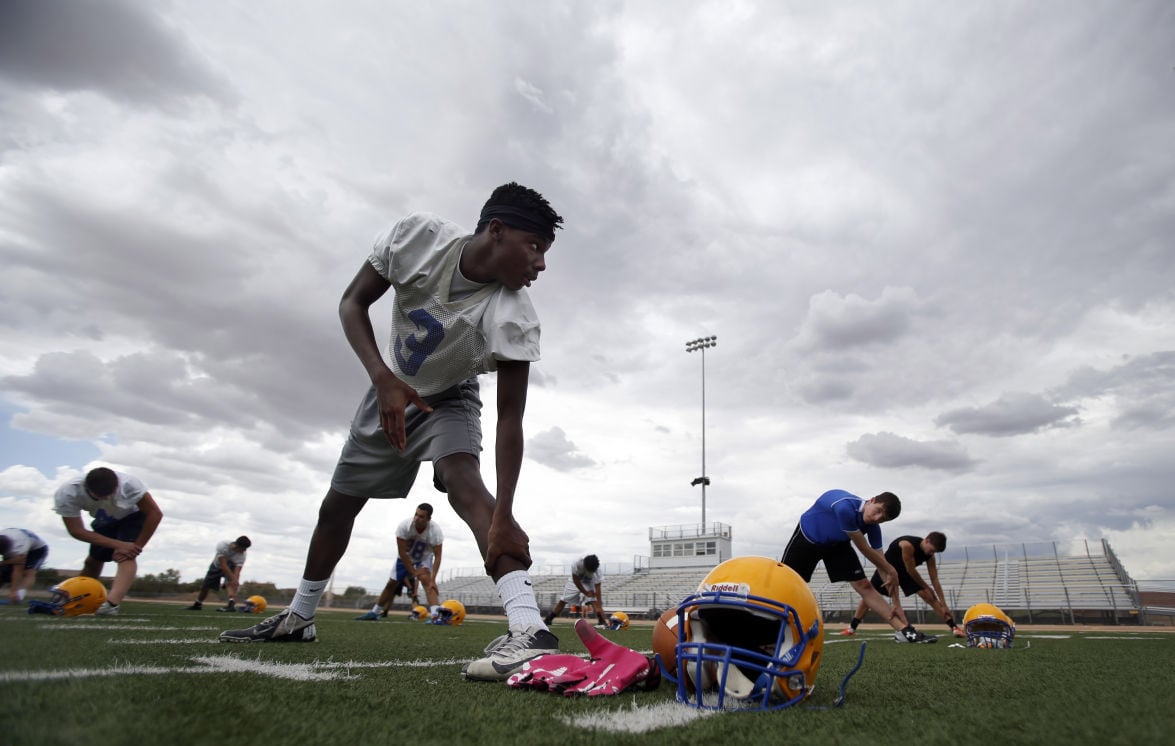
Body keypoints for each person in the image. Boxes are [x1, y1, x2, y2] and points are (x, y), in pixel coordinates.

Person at [221, 183, 564, 683]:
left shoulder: (513, 311)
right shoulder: (417, 237)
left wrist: (505, 515)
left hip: (449, 394)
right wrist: (383, 378)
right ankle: (299, 616)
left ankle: (528, 626)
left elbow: (510, 419)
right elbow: (351, 303)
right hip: (389, 388)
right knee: (336, 506)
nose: (541, 264)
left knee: (465, 483)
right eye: (533, 246)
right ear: (496, 231)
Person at [781, 489, 936, 643]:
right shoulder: (845, 508)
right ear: (872, 500)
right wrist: (891, 569)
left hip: (837, 543)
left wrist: (897, 604)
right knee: (789, 583)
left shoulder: (873, 527)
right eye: (878, 511)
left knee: (864, 585)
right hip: (808, 537)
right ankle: (773, 623)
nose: (877, 518)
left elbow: (882, 565)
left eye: (882, 519)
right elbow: (864, 548)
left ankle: (904, 630)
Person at [53, 466, 164, 616]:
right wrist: (119, 544)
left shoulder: (130, 484)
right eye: (99, 496)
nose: (106, 498)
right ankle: (79, 595)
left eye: (109, 494)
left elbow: (155, 513)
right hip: (104, 518)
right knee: (92, 561)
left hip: (134, 516)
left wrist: (136, 547)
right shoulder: (67, 493)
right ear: (86, 487)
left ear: (117, 484)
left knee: (126, 556)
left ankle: (112, 604)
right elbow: (76, 531)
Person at [840, 532, 965, 638]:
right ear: (926, 540)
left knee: (929, 596)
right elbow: (911, 570)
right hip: (887, 570)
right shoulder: (907, 545)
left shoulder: (930, 556)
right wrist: (926, 587)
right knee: (869, 597)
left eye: (934, 552)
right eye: (932, 550)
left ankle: (954, 627)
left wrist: (943, 603)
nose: (931, 554)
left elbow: (935, 579)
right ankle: (852, 628)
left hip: (905, 573)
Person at [356, 503, 442, 620]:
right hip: (406, 556)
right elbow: (402, 553)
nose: (417, 518)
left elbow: (438, 555)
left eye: (421, 516)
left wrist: (433, 579)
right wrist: (413, 572)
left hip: (424, 556)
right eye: (416, 514)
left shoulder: (435, 531)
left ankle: (436, 615)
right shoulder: (404, 526)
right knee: (391, 583)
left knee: (427, 582)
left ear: (428, 519)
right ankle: (374, 612)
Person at [186, 536, 252, 611]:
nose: (244, 550)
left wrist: (235, 581)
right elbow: (223, 565)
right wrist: (233, 579)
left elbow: (237, 570)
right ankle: (197, 604)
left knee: (230, 584)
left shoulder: (242, 555)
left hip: (231, 566)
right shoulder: (223, 545)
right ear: (237, 546)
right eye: (243, 548)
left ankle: (231, 604)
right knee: (205, 586)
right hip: (217, 565)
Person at [543, 554, 608, 628]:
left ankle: (601, 620)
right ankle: (549, 619)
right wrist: (586, 593)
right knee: (564, 599)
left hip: (590, 581)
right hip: (577, 580)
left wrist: (599, 604)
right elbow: (576, 581)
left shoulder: (597, 572)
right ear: (585, 566)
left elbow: (598, 590)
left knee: (594, 600)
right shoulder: (576, 564)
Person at [1, 528, 50, 604]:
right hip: (20, 542)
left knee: (29, 572)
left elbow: (17, 571)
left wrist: (13, 591)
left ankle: (18, 596)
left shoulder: (18, 547)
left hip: (37, 550)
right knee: (3, 571)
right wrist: (7, 562)